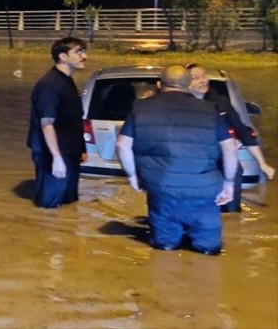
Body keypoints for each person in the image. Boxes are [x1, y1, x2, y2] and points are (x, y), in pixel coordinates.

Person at [116, 65, 237, 255]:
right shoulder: (208, 110)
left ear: (159, 84)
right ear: (188, 84)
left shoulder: (140, 108)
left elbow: (122, 145)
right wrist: (229, 183)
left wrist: (132, 176)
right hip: (203, 191)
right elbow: (229, 148)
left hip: (162, 190)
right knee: (209, 251)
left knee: (164, 251)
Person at [187, 63, 275, 212]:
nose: (203, 80)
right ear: (184, 83)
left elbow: (243, 131)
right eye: (196, 78)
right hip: (189, 161)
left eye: (204, 76)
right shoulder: (177, 105)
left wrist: (262, 163)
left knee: (235, 170)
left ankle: (231, 214)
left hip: (217, 158)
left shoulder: (220, 102)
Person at [26, 36, 88, 208]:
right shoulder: (50, 85)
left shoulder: (66, 81)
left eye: (84, 51)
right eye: (79, 52)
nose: (85, 56)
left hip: (68, 150)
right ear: (63, 56)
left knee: (69, 200)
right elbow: (47, 123)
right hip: (52, 152)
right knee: (49, 205)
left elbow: (73, 117)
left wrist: (80, 148)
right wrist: (57, 158)